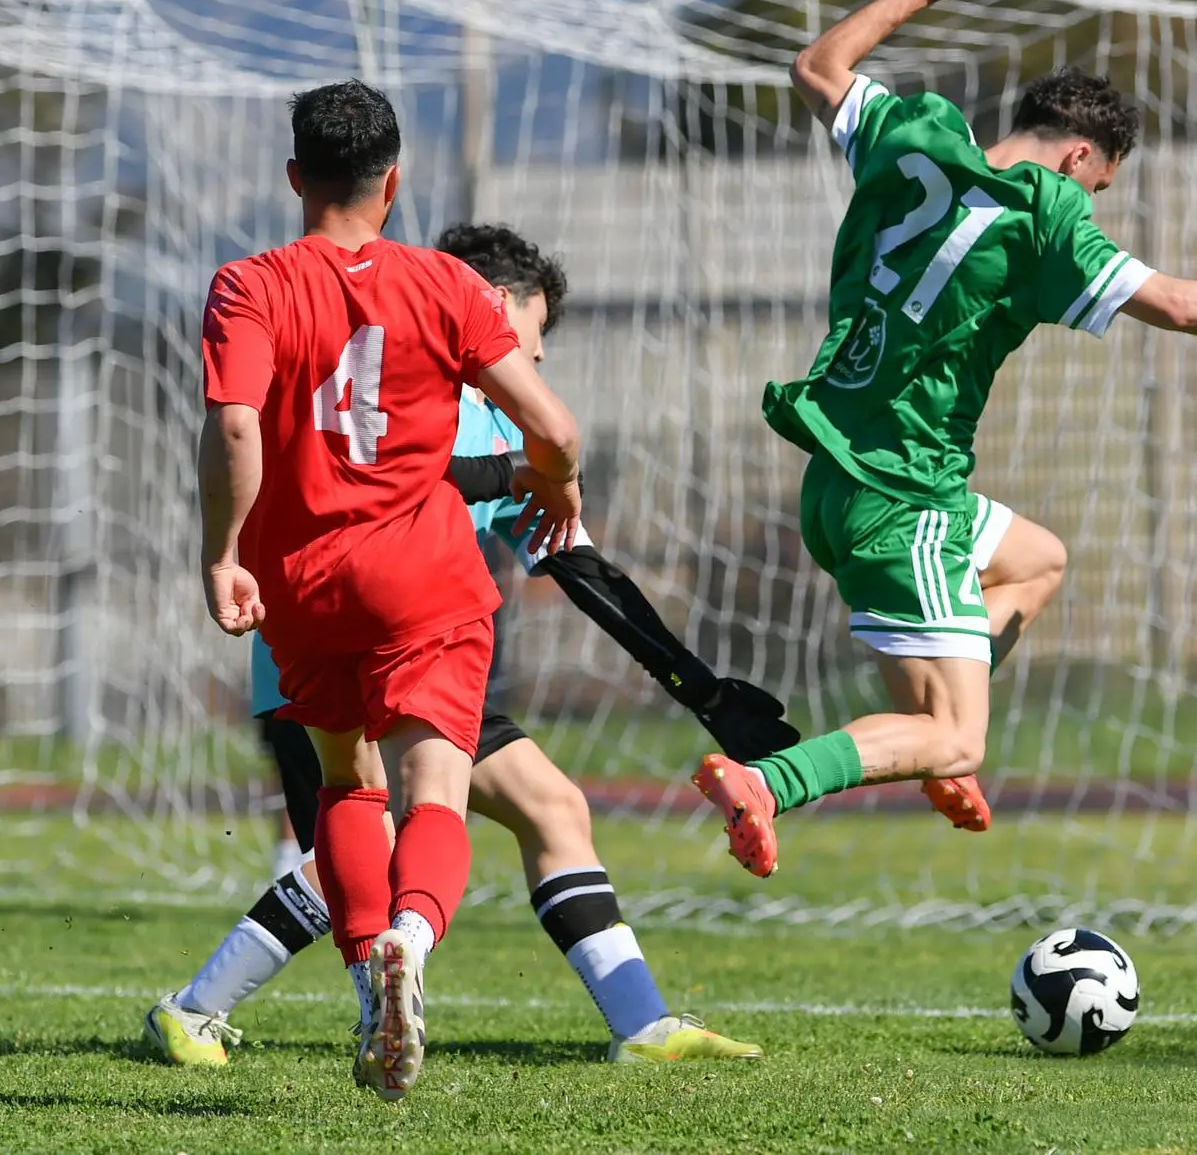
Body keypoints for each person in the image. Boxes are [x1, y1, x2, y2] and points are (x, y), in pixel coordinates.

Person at [693, 0, 1197, 879]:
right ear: (1077, 157)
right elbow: (1180, 306)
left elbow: (816, 65)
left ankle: (927, 738)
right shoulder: (1044, 216)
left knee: (1035, 561)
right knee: (956, 737)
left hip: (837, 480)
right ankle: (776, 782)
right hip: (904, 494)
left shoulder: (916, 137)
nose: (1094, 204)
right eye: (1099, 187)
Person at [150, 223, 780, 1068]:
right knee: (368, 842)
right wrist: (519, 469)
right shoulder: (424, 376)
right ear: (490, 302)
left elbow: (579, 565)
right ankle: (210, 1004)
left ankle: (640, 1024)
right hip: (333, 642)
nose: (540, 352)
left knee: (549, 809)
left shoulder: (497, 418)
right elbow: (387, 473)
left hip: (420, 640)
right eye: (536, 326)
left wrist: (700, 689)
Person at [196, 79, 585, 1100]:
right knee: (434, 790)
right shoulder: (446, 284)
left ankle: (370, 966)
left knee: (344, 783)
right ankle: (412, 936)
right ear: (394, 181)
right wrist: (557, 482)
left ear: (295, 178)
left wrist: (222, 551)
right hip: (422, 574)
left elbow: (235, 425)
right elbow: (554, 428)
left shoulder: (249, 284)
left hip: (303, 583)